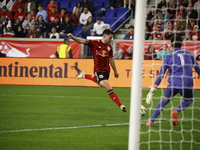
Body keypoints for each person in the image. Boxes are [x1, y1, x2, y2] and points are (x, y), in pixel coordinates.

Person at [67, 29, 127, 112]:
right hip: (98, 70)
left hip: (107, 71)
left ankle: (84, 75)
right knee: (108, 87)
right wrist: (72, 37)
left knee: (101, 84)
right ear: (105, 36)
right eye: (110, 38)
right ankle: (121, 105)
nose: (111, 40)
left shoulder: (109, 47)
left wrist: (115, 71)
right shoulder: (94, 43)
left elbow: (111, 59)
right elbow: (81, 41)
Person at [146, 36, 200, 127]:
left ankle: (151, 121)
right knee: (188, 99)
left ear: (171, 44)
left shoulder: (169, 57)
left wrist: (152, 89)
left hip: (173, 83)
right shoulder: (189, 54)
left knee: (165, 100)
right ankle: (176, 110)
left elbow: (161, 75)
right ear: (182, 44)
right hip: (187, 83)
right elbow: (198, 69)